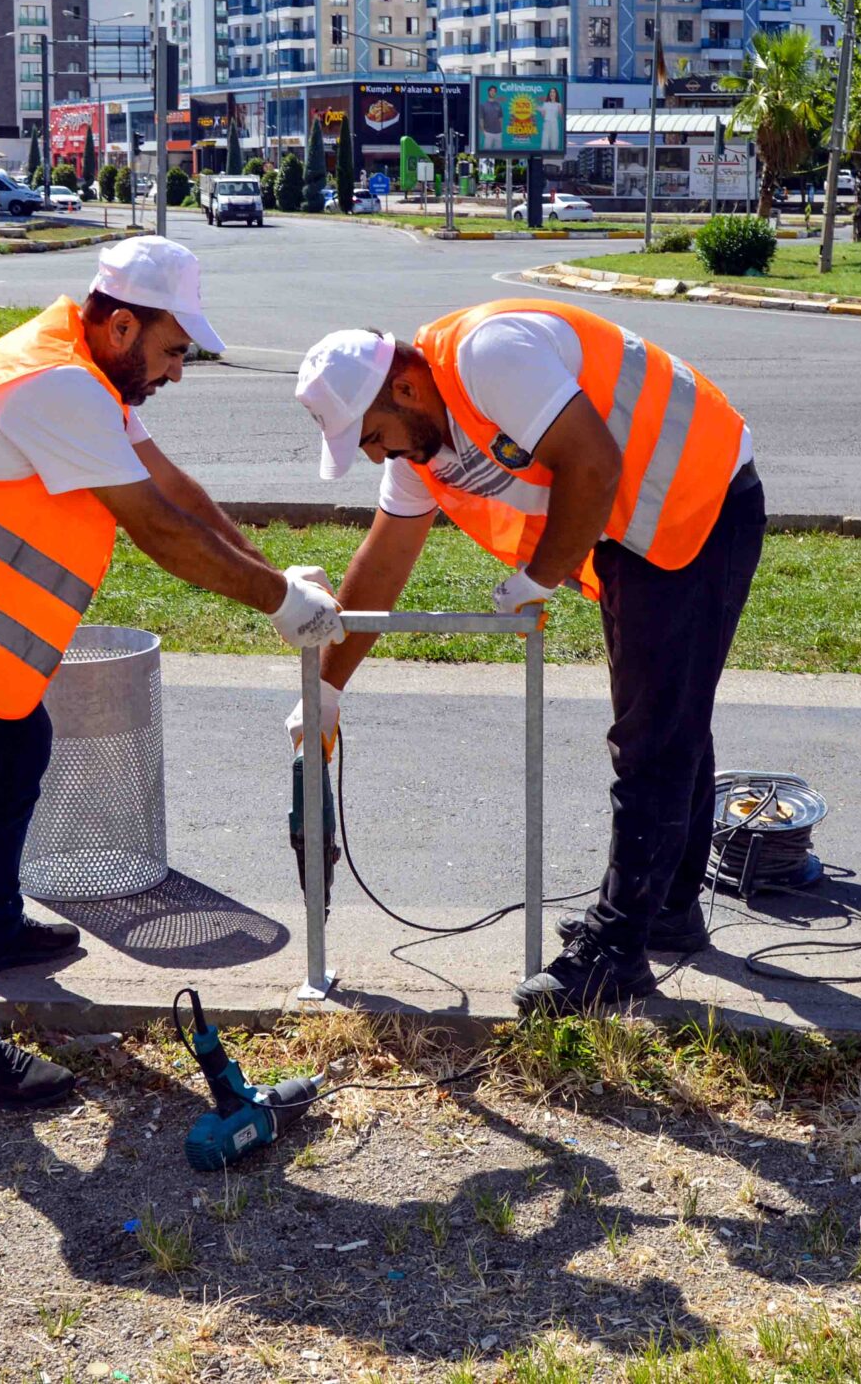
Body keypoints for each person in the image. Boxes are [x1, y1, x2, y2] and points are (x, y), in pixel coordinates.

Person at [0, 237, 344, 1109]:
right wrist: (275, 603)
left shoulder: (86, 369)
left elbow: (175, 489)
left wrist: (274, 574)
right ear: (125, 324)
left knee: (21, 750)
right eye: (175, 350)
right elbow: (158, 529)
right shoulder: (58, 383)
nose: (177, 372)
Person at [290, 298, 764, 1013]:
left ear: (408, 389)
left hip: (699, 495)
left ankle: (615, 952)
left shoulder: (488, 357)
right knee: (665, 717)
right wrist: (327, 690)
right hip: (636, 522)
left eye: (378, 436)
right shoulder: (426, 444)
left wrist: (538, 576)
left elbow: (594, 463)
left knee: (654, 734)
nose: (382, 455)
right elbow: (384, 561)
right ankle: (665, 909)